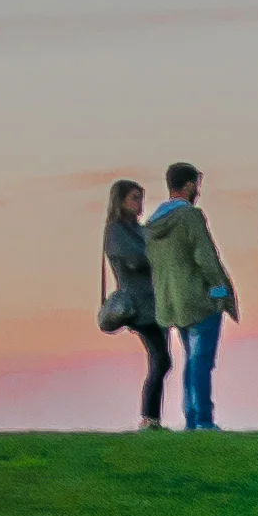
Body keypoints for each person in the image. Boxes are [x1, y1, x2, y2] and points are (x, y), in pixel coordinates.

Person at [144, 162, 241, 430]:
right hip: (200, 300)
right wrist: (222, 294)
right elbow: (206, 258)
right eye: (196, 184)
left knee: (191, 359)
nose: (198, 191)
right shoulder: (190, 217)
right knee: (201, 360)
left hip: (172, 302)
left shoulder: (152, 225)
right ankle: (203, 420)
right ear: (188, 185)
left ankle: (192, 419)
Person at [98, 178, 169, 426]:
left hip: (156, 302)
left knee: (161, 359)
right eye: (133, 198)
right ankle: (149, 418)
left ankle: (152, 418)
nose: (139, 204)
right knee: (161, 358)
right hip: (139, 306)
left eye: (140, 198)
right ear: (120, 201)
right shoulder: (116, 230)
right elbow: (134, 260)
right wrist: (158, 257)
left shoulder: (140, 229)